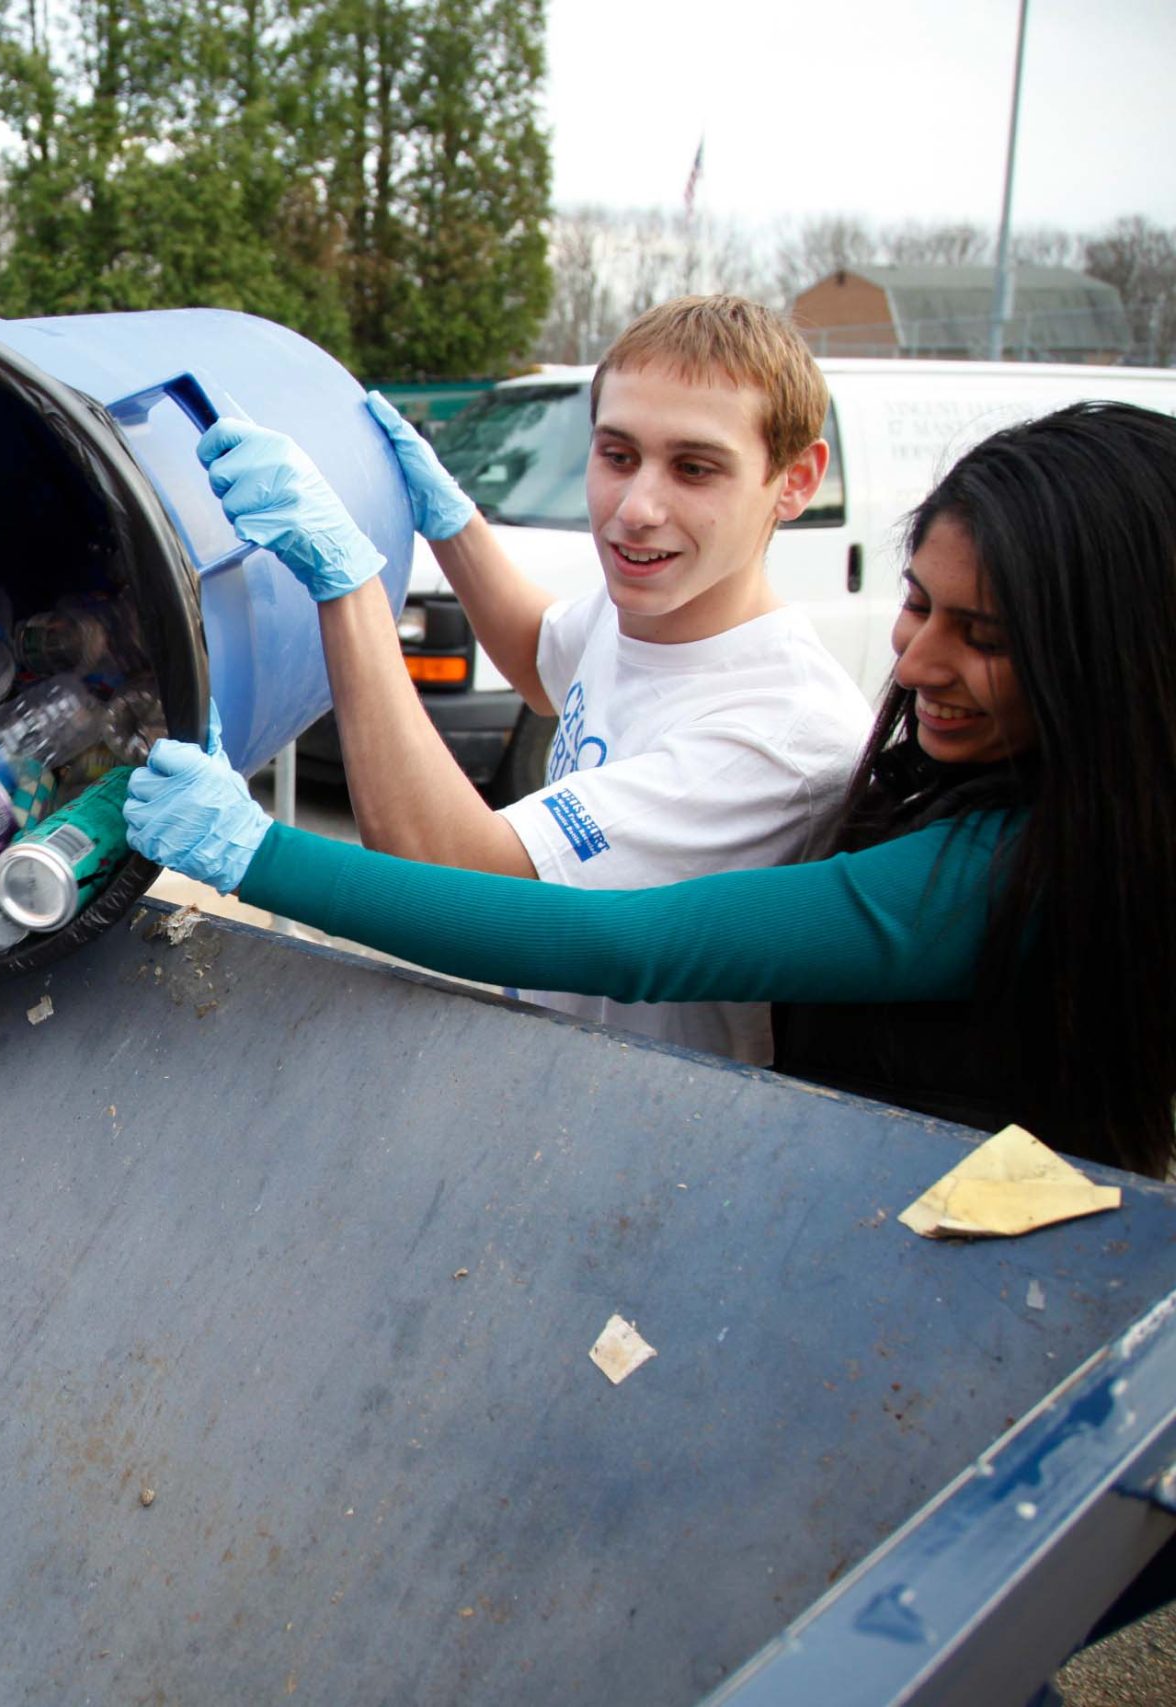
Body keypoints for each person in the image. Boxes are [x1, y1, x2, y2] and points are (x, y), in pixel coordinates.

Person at [128, 400, 1176, 1179]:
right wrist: (448, 518)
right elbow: (546, 650)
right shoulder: (661, 631)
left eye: (981, 638)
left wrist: (255, 852)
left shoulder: (980, 868)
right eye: (917, 606)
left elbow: (618, 943)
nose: (910, 663)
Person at [202, 296, 874, 1065]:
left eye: (695, 468)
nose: (635, 508)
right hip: (555, 1060)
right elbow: (539, 654)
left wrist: (348, 585)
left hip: (650, 1115)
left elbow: (450, 874)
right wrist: (451, 521)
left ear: (795, 481)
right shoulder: (656, 612)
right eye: (617, 455)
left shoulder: (773, 735)